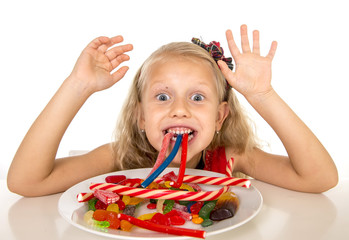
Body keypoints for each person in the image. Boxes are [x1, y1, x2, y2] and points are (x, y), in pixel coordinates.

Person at [7, 25, 338, 197]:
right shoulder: (120, 159)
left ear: (220, 117)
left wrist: (262, 95)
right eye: (163, 97)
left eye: (197, 98)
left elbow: (320, 178)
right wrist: (77, 86)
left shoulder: (232, 158)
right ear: (140, 116)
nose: (179, 110)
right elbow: (25, 182)